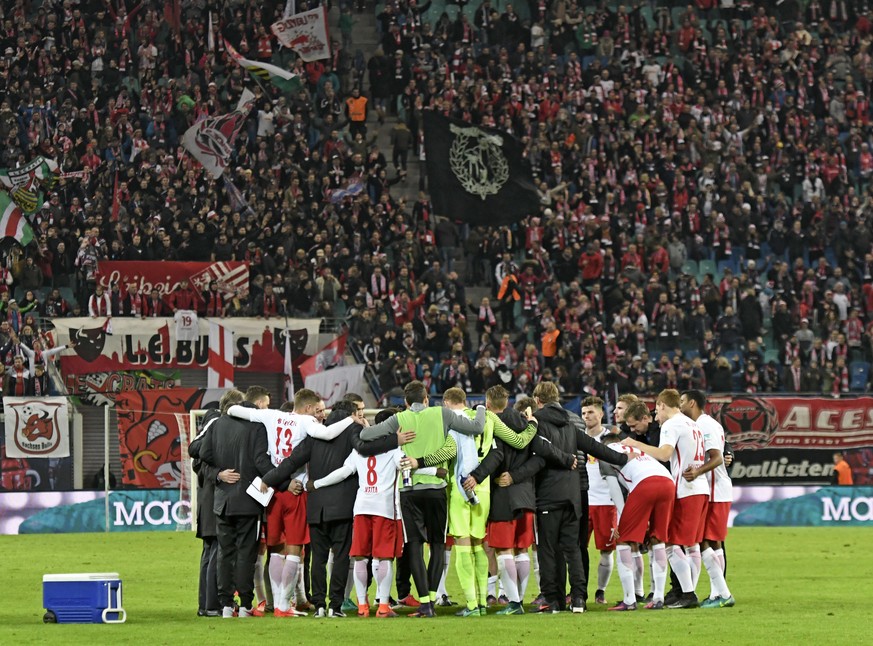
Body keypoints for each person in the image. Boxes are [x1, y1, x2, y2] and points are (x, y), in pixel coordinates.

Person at [226, 388, 366, 617]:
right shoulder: (307, 422)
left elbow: (233, 409)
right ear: (309, 408)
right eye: (319, 410)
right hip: (296, 491)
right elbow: (329, 434)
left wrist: (271, 478)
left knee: (275, 549)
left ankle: (279, 602)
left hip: (273, 490)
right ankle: (283, 604)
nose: (321, 415)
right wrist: (352, 419)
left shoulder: (270, 415)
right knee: (294, 549)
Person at [260, 399, 401, 618]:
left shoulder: (316, 433)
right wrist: (394, 440)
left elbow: (291, 461)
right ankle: (335, 604)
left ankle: (319, 606)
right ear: (351, 415)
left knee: (318, 559)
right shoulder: (353, 431)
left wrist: (269, 478)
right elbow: (367, 448)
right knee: (341, 557)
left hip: (316, 506)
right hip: (343, 507)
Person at [359, 381, 487, 617]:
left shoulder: (400, 419)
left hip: (409, 491)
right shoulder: (442, 413)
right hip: (437, 489)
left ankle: (426, 604)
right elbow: (478, 427)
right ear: (427, 398)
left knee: (415, 546)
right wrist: (480, 407)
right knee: (438, 545)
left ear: (406, 402)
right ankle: (432, 596)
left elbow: (365, 435)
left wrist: (393, 440)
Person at [306, 407, 440, 618]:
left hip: (361, 508)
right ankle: (384, 606)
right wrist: (435, 470)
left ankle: (362, 606)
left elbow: (343, 473)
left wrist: (318, 483)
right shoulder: (393, 450)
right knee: (384, 558)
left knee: (360, 557)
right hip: (384, 509)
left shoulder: (358, 450)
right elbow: (408, 466)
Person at [528, 381, 631, 614]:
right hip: (575, 495)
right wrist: (624, 460)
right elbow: (597, 448)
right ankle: (578, 599)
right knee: (573, 548)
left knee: (548, 549)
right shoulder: (572, 424)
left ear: (537, 400)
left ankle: (553, 601)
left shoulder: (536, 423)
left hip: (547, 495)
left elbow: (537, 452)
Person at [190, 388, 274, 618]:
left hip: (223, 501)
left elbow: (202, 455)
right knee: (246, 553)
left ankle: (226, 604)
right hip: (249, 501)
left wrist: (218, 473)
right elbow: (260, 460)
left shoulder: (217, 425)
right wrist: (280, 478)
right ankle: (246, 603)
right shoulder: (256, 426)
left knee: (225, 553)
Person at [623, 389, 709, 609]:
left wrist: (636, 444)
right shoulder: (693, 424)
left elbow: (664, 454)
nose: (656, 417)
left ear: (661, 405)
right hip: (700, 488)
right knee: (691, 545)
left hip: (685, 489)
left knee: (669, 543)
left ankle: (688, 594)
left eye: (656, 410)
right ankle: (686, 593)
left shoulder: (672, 424)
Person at [465, 387, 539, 615]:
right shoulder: (527, 423)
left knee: (504, 550)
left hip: (502, 496)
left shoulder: (490, 423)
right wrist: (519, 476)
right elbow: (539, 459)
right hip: (526, 495)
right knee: (522, 550)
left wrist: (476, 476)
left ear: (487, 403)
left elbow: (495, 455)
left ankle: (514, 602)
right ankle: (519, 598)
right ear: (507, 401)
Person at [599, 433, 674, 611]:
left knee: (623, 540)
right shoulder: (636, 449)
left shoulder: (606, 454)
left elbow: (615, 490)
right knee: (658, 539)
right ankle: (658, 598)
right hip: (668, 483)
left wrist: (622, 523)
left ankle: (629, 600)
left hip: (645, 484)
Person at [679, 389, 736, 609]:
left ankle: (720, 594)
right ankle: (717, 593)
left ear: (692, 403)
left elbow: (718, 458)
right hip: (710, 491)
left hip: (716, 490)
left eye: (682, 402)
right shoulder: (698, 425)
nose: (680, 405)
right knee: (711, 541)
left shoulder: (706, 425)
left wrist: (697, 471)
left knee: (708, 541)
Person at [188, 396, 228, 617]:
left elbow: (197, 464)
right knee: (215, 552)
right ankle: (213, 605)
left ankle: (205, 605)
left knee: (209, 552)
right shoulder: (215, 425)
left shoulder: (206, 432)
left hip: (206, 500)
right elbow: (197, 458)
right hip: (214, 500)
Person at [580, 396, 618, 605]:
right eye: (584, 413)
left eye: (591, 412)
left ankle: (600, 591)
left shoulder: (612, 439)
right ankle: (579, 590)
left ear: (601, 414)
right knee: (578, 548)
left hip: (606, 502)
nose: (587, 416)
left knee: (605, 550)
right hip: (582, 501)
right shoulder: (577, 437)